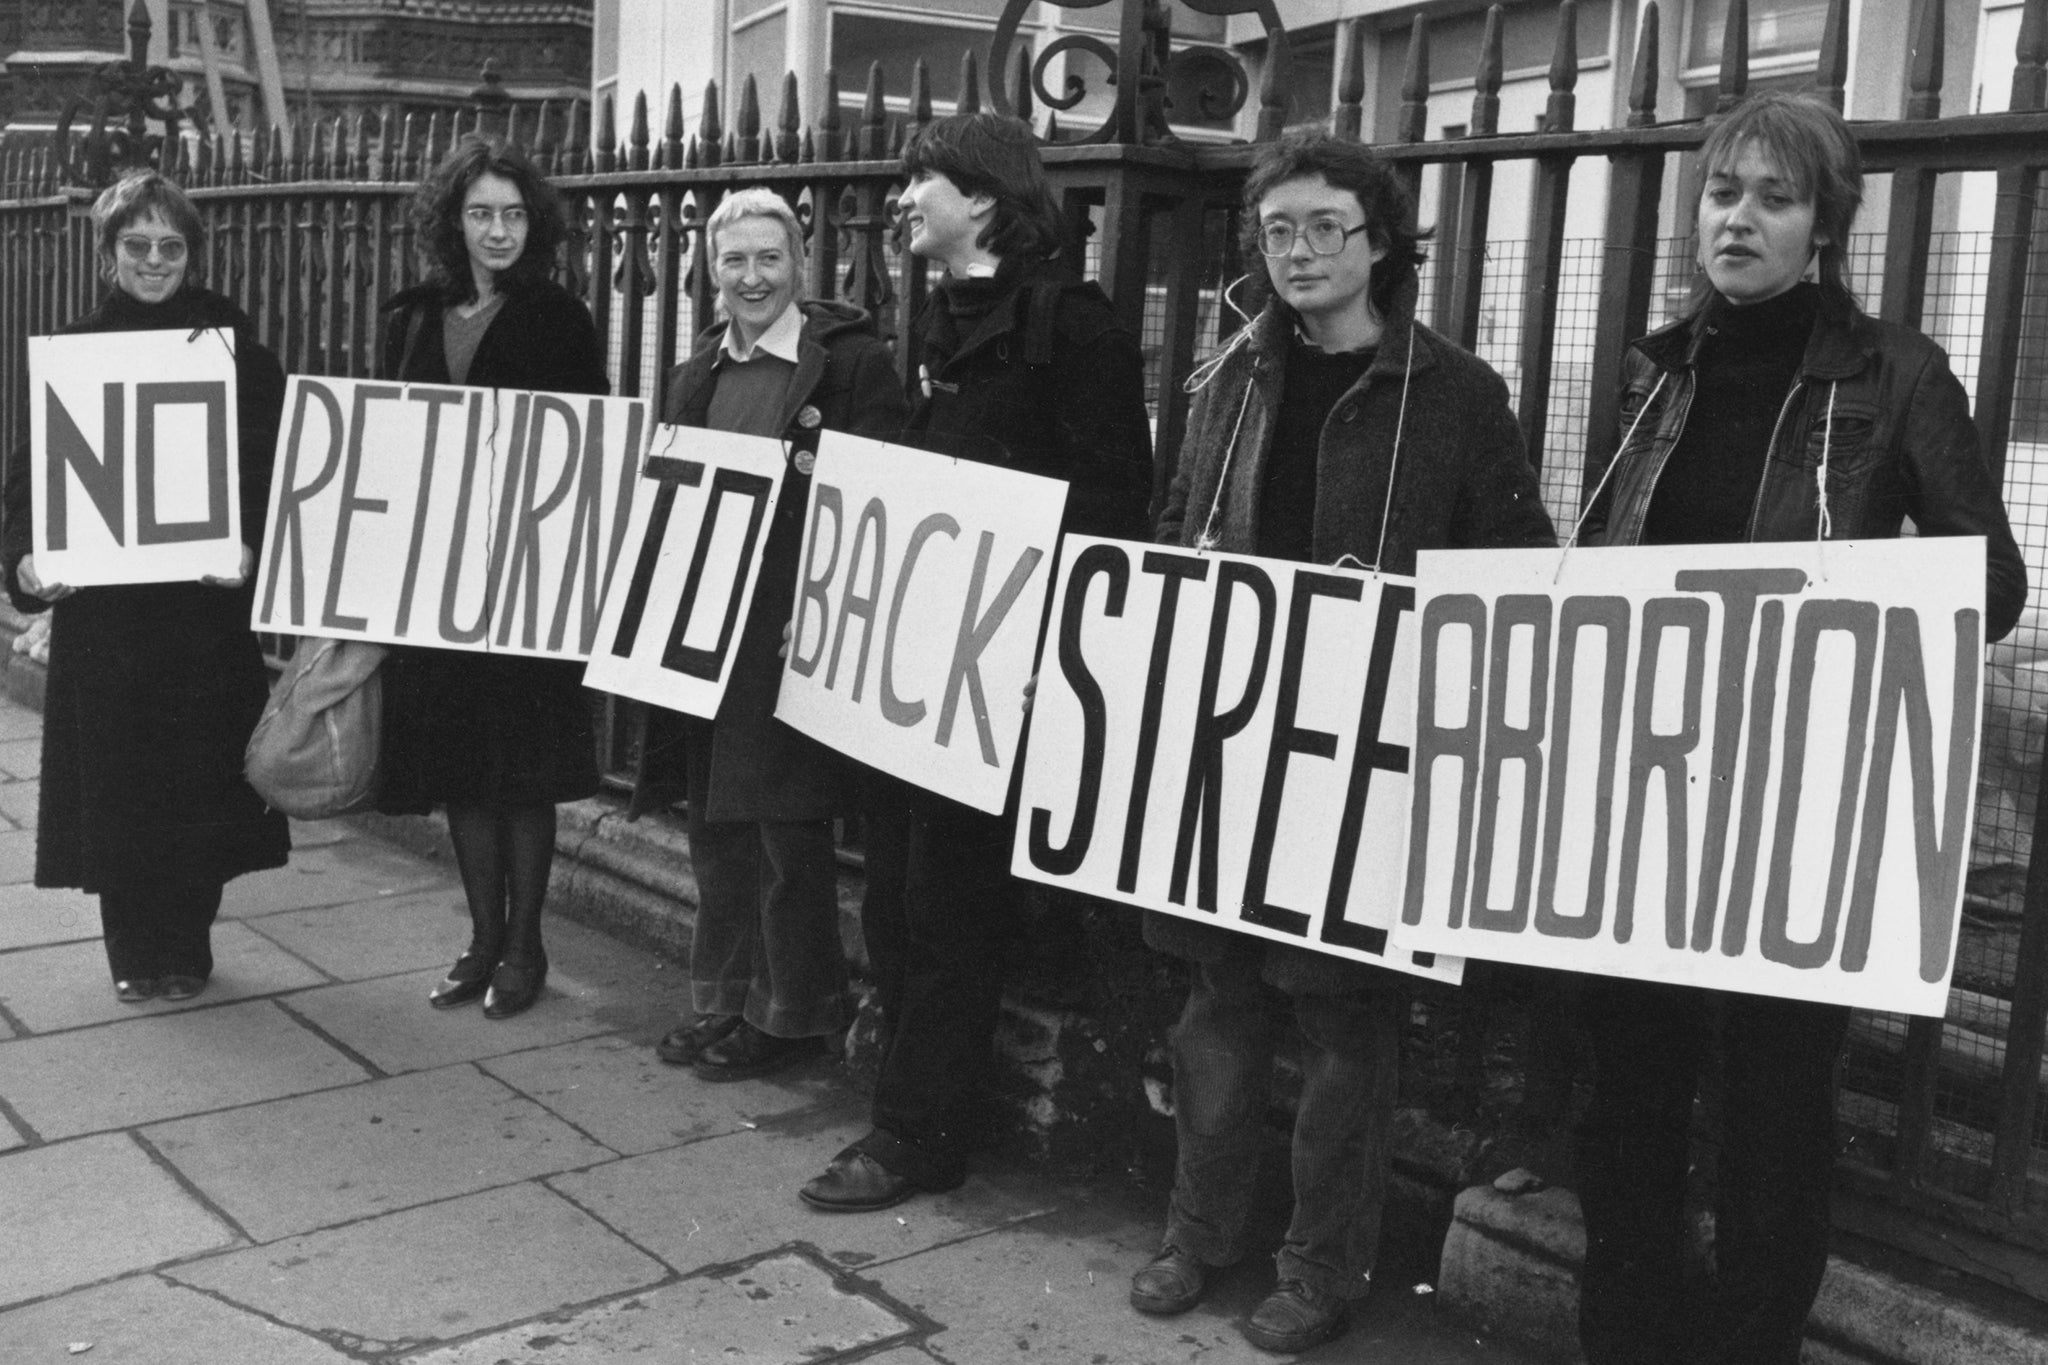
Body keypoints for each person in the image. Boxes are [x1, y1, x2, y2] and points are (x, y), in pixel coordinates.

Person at [1573, 91, 2026, 1365]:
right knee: (1632, 1091)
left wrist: (1845, 613)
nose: (1737, 220)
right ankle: (1625, 1338)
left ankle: (1742, 1345)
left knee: (1771, 1105)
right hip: (1646, 794)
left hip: (1796, 804)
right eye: (1720, 194)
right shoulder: (1653, 370)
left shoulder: (1895, 375)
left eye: (1771, 199)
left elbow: (1983, 585)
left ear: (1821, 227)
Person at [1133, 132, 1556, 1354]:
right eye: (1277, 230)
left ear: (1379, 241)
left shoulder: (1455, 394)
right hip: (1225, 741)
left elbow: (1508, 574)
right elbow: (1170, 528)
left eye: (1325, 226)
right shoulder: (1227, 379)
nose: (1300, 251)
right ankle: (1196, 1233)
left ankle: (1320, 1267)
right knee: (1215, 994)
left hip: (1365, 757)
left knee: (1339, 1017)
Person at [797, 112, 1153, 1210]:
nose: (902, 198)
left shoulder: (1068, 326)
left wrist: (1035, 607)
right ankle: (908, 1099)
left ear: (986, 200)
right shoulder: (938, 315)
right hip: (921, 666)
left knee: (946, 906)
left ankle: (917, 1135)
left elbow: (1113, 503)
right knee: (896, 897)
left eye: (923, 180)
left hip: (999, 671)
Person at [637, 187, 909, 1080]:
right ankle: (725, 999)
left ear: (801, 265)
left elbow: (880, 497)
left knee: (786, 830)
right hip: (710, 626)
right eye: (733, 261)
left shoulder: (854, 365)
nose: (750, 278)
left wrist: (830, 599)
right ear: (710, 273)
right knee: (717, 824)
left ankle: (791, 1015)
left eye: (768, 259)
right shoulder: (696, 372)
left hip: (794, 629)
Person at [2, 171, 291, 1004]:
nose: (155, 261)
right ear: (107, 253)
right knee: (120, 784)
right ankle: (134, 947)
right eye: (138, 245)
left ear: (192, 254)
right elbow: (31, 483)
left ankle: (187, 941)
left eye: (172, 246)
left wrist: (250, 545)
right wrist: (25, 561)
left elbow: (276, 464)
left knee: (198, 779)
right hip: (112, 618)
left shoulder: (232, 343)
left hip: (203, 609)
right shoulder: (75, 347)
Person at [376, 135, 610, 1020]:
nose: (498, 229)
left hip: (527, 575)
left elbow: (587, 445)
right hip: (439, 576)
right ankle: (480, 937)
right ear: (454, 222)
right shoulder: (411, 315)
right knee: (463, 765)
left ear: (533, 223)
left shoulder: (559, 317)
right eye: (481, 213)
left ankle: (526, 946)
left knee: (524, 766)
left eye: (513, 214)